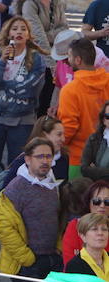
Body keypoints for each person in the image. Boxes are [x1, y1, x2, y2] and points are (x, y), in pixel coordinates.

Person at [0, 138, 63, 282]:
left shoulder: (51, 184)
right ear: (28, 159)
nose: (45, 161)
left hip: (50, 260)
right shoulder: (17, 187)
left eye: (48, 156)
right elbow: (4, 228)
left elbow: (56, 218)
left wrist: (58, 248)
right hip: (28, 263)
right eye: (40, 156)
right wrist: (26, 258)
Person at [0, 17, 47, 174]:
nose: (19, 32)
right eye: (15, 29)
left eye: (23, 29)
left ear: (28, 35)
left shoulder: (37, 60)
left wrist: (1, 85)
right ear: (8, 34)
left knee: (17, 166)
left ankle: (12, 198)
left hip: (22, 121)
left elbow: (29, 90)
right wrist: (2, 62)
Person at [58, 38, 109, 178]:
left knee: (78, 198)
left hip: (79, 158)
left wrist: (58, 146)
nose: (68, 60)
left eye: (69, 56)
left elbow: (68, 127)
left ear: (78, 60)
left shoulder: (70, 90)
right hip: (106, 157)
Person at [18, 0, 67, 116]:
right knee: (33, 99)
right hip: (34, 58)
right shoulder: (29, 4)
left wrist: (47, 35)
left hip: (55, 55)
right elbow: (37, 37)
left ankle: (41, 127)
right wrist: (51, 63)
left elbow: (65, 29)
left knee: (48, 98)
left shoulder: (57, 3)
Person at [63, 180, 109, 263]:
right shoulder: (75, 225)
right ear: (88, 202)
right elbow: (69, 262)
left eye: (107, 202)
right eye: (96, 201)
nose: (102, 206)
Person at [81, 101, 109, 181]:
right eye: (108, 117)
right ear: (103, 120)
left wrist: (94, 170)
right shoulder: (93, 138)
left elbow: (89, 170)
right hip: (95, 188)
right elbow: (84, 169)